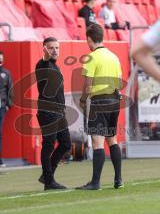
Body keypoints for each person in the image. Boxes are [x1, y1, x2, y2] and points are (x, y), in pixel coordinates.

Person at [76, 24, 123, 190]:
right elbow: (119, 81)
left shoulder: (91, 57)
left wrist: (83, 100)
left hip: (100, 102)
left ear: (89, 39)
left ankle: (95, 183)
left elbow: (87, 83)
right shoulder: (114, 57)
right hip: (114, 101)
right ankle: (118, 180)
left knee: (97, 142)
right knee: (112, 139)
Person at [35, 37, 71, 191]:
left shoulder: (55, 66)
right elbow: (44, 59)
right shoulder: (42, 64)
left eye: (57, 47)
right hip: (48, 111)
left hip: (58, 112)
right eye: (51, 48)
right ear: (44, 49)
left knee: (66, 144)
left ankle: (46, 175)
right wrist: (46, 55)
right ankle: (49, 181)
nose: (55, 50)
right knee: (48, 145)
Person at [0, 51, 13, 167]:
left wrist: (9, 104)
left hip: (1, 107)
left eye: (1, 60)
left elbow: (10, 89)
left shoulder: (6, 73)